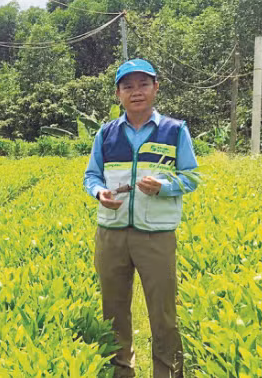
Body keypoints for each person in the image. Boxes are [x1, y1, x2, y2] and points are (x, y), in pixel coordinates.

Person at [83, 58, 198, 378]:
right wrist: (99, 193)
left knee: (163, 312)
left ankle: (168, 372)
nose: (136, 92)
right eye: (128, 86)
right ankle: (121, 371)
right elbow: (91, 176)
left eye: (143, 84)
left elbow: (191, 178)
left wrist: (164, 187)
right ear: (118, 93)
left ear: (155, 88)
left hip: (156, 235)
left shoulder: (175, 131)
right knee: (113, 310)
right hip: (112, 233)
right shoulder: (106, 133)